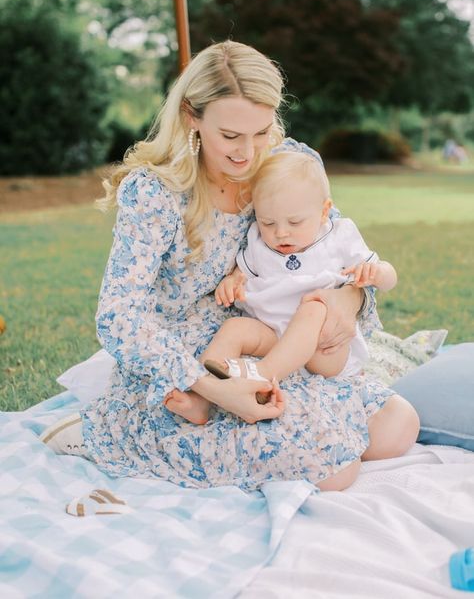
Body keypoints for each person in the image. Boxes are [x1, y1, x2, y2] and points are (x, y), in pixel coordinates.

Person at [40, 41, 419, 492]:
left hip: (269, 333)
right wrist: (214, 388)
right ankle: (112, 433)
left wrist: (342, 299)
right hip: (190, 358)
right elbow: (117, 317)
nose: (247, 153)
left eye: (260, 132)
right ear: (191, 117)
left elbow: (329, 247)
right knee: (336, 468)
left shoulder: (284, 164)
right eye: (230, 136)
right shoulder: (156, 194)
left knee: (398, 425)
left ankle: (280, 418)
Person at [165, 150, 397, 424]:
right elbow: (243, 270)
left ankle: (263, 373)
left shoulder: (338, 235)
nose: (281, 233)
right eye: (268, 222)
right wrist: (233, 281)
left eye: (295, 222)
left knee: (314, 305)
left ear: (324, 211)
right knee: (234, 329)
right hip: (276, 336)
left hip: (326, 347)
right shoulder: (259, 242)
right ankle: (203, 399)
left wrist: (376, 272)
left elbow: (389, 278)